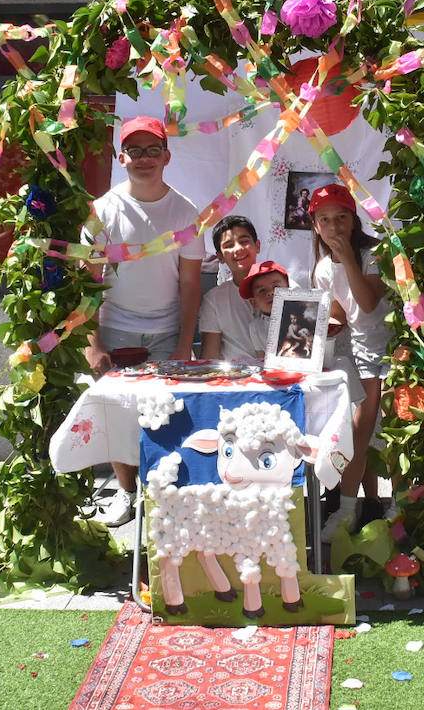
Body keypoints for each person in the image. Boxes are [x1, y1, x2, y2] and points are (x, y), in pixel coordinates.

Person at [84, 116, 204, 526]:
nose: (144, 159)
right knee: (118, 416)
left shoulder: (186, 212)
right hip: (115, 329)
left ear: (167, 156)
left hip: (167, 331)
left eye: (153, 150)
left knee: (165, 416)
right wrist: (93, 343)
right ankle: (124, 492)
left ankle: (161, 497)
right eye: (134, 150)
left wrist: (185, 343)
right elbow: (89, 284)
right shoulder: (101, 212)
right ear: (122, 158)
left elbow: (190, 285)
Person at [309, 183, 392, 539]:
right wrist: (321, 329)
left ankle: (398, 507)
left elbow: (370, 302)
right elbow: (345, 315)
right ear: (315, 226)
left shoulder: (374, 254)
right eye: (324, 220)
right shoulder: (322, 268)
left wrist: (347, 259)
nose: (334, 227)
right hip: (361, 349)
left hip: (396, 345)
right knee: (359, 430)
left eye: (341, 218)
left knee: (395, 427)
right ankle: (345, 509)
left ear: (354, 220)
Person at [199, 215, 269, 361]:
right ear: (220, 257)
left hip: (281, 377)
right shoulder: (214, 300)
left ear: (257, 246)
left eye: (244, 241)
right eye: (229, 245)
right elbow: (209, 357)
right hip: (234, 379)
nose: (238, 249)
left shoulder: (287, 289)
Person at [240, 260, 291, 358]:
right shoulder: (255, 327)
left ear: (289, 291)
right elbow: (262, 359)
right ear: (253, 302)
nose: (270, 293)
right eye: (262, 290)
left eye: (276, 287)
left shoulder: (304, 317)